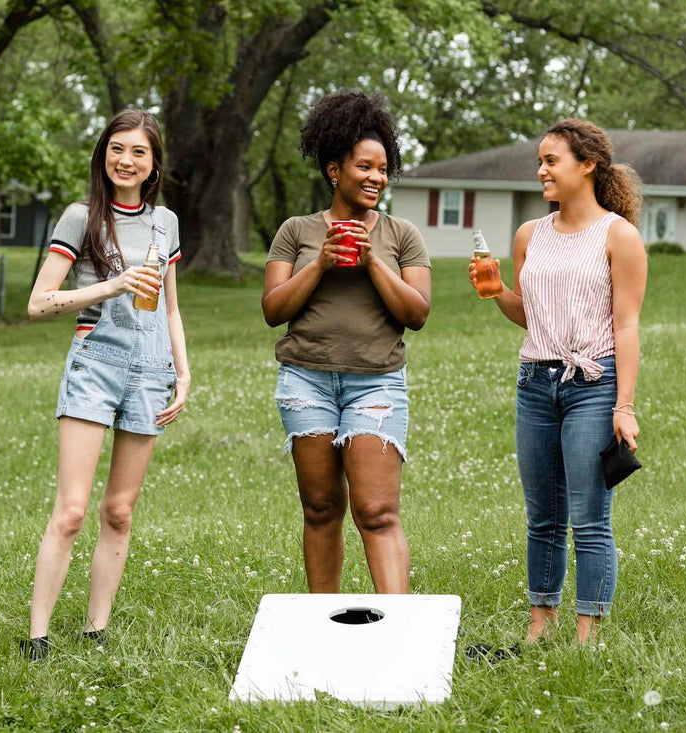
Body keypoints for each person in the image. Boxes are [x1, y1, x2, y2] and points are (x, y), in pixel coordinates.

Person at [469, 119, 647, 644]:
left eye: (552, 160)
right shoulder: (530, 234)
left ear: (587, 165)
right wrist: (496, 290)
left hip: (594, 382)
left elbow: (627, 324)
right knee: (543, 515)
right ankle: (539, 626)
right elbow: (531, 317)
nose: (541, 170)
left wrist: (625, 405)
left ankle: (586, 635)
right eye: (540, 161)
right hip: (535, 383)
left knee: (589, 516)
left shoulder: (619, 235)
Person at [23, 109, 190, 660]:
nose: (126, 160)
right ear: (103, 156)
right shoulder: (80, 217)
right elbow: (39, 302)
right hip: (94, 364)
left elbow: (170, 308)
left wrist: (182, 371)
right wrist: (111, 285)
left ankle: (96, 630)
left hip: (150, 370)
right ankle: (38, 637)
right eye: (117, 149)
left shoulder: (165, 223)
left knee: (120, 510)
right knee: (71, 511)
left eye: (138, 152)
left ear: (153, 164)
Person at [261, 91, 431, 594]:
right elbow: (274, 310)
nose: (377, 178)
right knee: (320, 509)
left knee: (377, 512)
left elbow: (417, 314)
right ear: (335, 169)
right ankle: (323, 629)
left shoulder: (402, 235)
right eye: (364, 167)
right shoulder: (297, 231)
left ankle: (398, 634)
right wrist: (321, 263)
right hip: (305, 380)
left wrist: (373, 259)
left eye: (383, 169)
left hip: (376, 383)